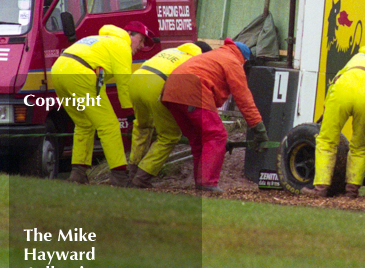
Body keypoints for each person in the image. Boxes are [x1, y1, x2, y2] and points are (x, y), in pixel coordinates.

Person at [50, 21, 155, 186]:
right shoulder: (122, 45)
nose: (141, 46)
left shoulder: (100, 40)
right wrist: (130, 115)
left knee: (84, 124)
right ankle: (119, 177)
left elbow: (99, 83)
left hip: (58, 70)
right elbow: (124, 83)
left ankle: (78, 174)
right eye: (141, 40)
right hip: (80, 72)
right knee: (110, 125)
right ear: (130, 35)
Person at [161, 39, 269, 193]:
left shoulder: (216, 55)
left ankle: (201, 183)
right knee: (217, 136)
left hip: (171, 92)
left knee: (198, 139)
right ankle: (207, 183)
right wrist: (259, 129)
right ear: (244, 59)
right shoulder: (233, 61)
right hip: (193, 91)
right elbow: (243, 97)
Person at [302, 39, 365, 199]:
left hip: (341, 91)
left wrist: (326, 110)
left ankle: (320, 190)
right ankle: (351, 192)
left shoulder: (361, 55)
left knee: (326, 141)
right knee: (360, 146)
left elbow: (337, 78)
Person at [126, 40, 213, 188]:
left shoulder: (172, 51)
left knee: (142, 127)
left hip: (135, 81)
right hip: (156, 85)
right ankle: (141, 178)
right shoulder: (196, 60)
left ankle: (131, 172)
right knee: (169, 136)